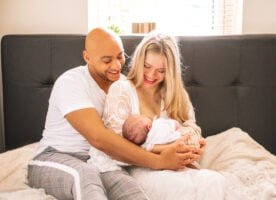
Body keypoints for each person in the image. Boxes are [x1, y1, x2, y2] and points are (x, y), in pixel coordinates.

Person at [27, 28, 201, 200]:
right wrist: (160, 161)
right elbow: (99, 138)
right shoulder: (71, 82)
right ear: (88, 58)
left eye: (120, 56)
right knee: (86, 176)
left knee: (130, 189)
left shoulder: (123, 86)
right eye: (107, 60)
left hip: (99, 161)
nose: (117, 65)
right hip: (55, 156)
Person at [101, 32, 226, 199]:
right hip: (139, 167)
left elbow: (191, 126)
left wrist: (193, 144)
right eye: (147, 66)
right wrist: (164, 152)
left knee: (215, 181)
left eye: (161, 71)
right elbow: (116, 146)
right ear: (139, 61)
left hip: (178, 164)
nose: (152, 75)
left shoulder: (175, 93)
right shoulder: (121, 90)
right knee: (182, 189)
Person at [122, 114, 202, 169]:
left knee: (189, 161)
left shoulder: (147, 145)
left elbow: (149, 148)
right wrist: (176, 124)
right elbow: (174, 124)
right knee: (190, 126)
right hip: (185, 137)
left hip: (180, 148)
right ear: (148, 127)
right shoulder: (157, 124)